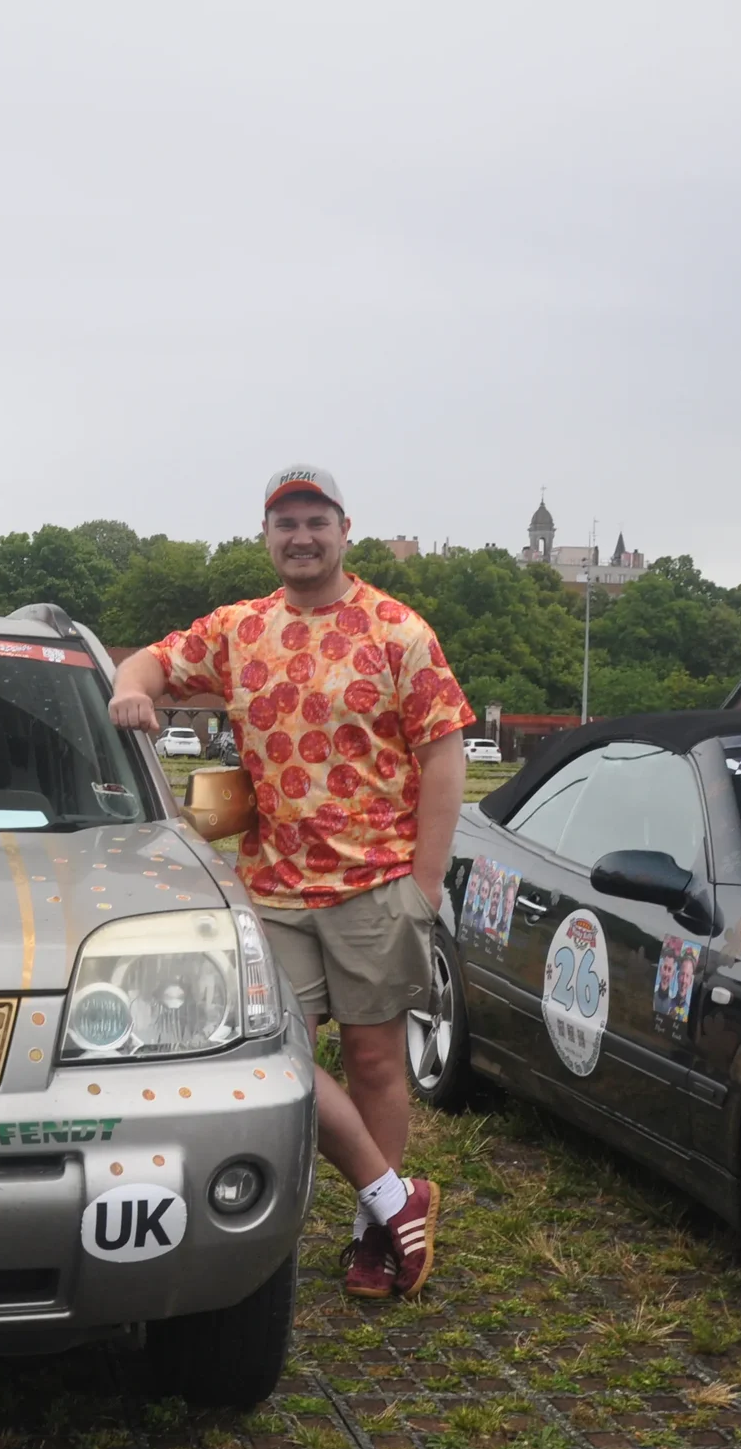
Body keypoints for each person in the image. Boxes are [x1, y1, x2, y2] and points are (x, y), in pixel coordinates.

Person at [107, 465, 470, 1299]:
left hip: (378, 883)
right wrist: (131, 690)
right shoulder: (240, 629)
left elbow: (444, 753)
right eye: (285, 524)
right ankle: (394, 1196)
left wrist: (426, 882)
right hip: (271, 886)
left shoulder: (396, 630)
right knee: (280, 1059)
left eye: (315, 521)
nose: (300, 537)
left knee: (377, 1062)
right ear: (266, 538)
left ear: (345, 529)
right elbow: (151, 663)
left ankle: (372, 1237)